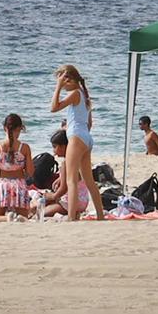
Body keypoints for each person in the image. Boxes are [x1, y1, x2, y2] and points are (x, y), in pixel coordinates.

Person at [50, 64, 104, 220]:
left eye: (63, 80)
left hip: (77, 137)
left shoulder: (75, 93)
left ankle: (71, 217)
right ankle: (100, 216)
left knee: (71, 179)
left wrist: (58, 87)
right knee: (89, 181)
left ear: (70, 80)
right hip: (86, 137)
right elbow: (89, 123)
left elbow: (54, 107)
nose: (62, 84)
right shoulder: (84, 96)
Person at [0, 113, 34, 221]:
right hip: (19, 185)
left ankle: (8, 218)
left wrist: (2, 162)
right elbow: (30, 172)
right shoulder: (24, 148)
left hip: (3, 185)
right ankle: (17, 218)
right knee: (24, 217)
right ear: (20, 128)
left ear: (4, 128)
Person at [38, 129, 90, 219]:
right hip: (83, 201)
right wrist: (60, 178)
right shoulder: (79, 159)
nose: (53, 150)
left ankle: (69, 213)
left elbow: (63, 188)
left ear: (63, 146)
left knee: (42, 213)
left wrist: (52, 196)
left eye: (55, 147)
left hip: (71, 203)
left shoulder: (65, 164)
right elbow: (75, 177)